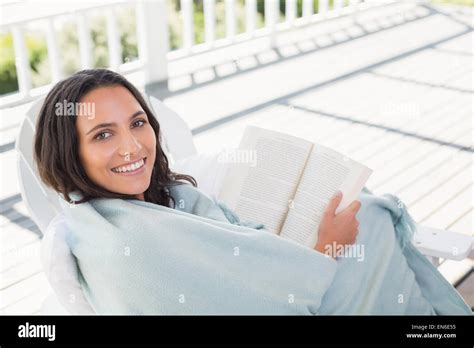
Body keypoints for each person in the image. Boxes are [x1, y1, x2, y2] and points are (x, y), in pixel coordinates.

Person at [34, 68, 360, 259]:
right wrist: (324, 252)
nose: (132, 147)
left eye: (137, 123)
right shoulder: (129, 247)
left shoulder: (169, 196)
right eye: (103, 135)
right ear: (69, 154)